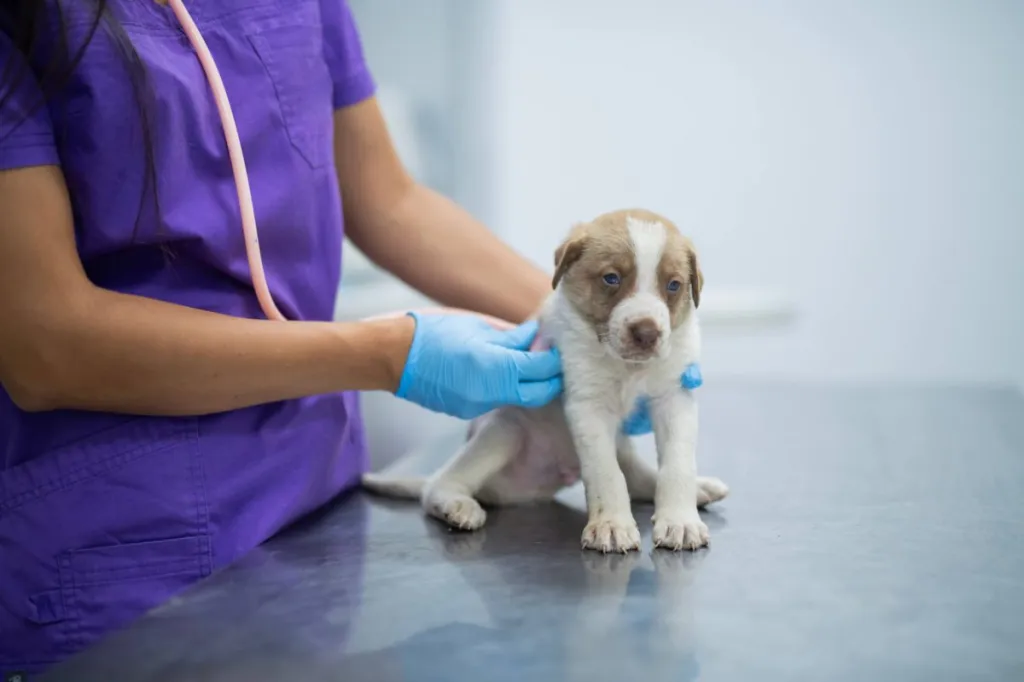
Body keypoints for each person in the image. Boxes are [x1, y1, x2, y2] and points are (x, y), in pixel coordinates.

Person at [0, 0, 693, 674]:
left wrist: (588, 334)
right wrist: (387, 352)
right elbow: (45, 342)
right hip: (111, 552)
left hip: (313, 513)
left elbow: (387, 199)